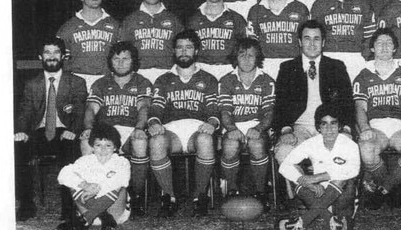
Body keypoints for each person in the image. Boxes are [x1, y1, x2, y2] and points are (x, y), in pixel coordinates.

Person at [14, 37, 88, 223]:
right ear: (41, 56)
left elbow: (80, 112)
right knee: (18, 149)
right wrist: (21, 131)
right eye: (47, 52)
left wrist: (73, 130)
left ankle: (69, 208)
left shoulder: (76, 82)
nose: (52, 56)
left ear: (63, 56)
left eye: (56, 52)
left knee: (70, 150)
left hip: (65, 131)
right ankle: (26, 204)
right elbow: (25, 111)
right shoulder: (32, 84)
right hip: (39, 132)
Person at [147, 30, 220, 217]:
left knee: (205, 139)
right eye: (180, 47)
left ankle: (199, 196)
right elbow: (155, 110)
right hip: (172, 131)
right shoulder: (163, 80)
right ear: (174, 51)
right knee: (156, 141)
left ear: (196, 51)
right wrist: (154, 123)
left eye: (189, 47)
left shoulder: (208, 79)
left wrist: (212, 122)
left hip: (197, 128)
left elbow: (213, 111)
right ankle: (168, 197)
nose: (184, 51)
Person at [79, 42, 153, 218]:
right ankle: (95, 194)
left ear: (133, 61)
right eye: (116, 59)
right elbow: (91, 109)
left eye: (125, 59)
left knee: (140, 143)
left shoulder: (142, 82)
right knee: (85, 143)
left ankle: (136, 195)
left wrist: (139, 128)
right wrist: (89, 129)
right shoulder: (101, 83)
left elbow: (144, 109)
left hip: (131, 129)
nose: (120, 63)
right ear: (110, 61)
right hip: (107, 131)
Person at [353, 28, 401, 210]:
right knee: (366, 149)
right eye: (379, 43)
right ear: (372, 48)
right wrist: (365, 128)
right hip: (376, 126)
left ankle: (384, 189)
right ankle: (392, 189)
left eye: (389, 43)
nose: (384, 47)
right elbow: (360, 107)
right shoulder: (362, 75)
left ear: (395, 48)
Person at [273, 20, 354, 164]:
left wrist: (346, 129)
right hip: (298, 127)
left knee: (346, 146)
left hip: (330, 126)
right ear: (299, 41)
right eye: (307, 38)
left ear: (323, 42)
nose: (312, 43)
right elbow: (280, 104)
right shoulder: (287, 68)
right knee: (284, 151)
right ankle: (299, 187)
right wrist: (286, 130)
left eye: (316, 39)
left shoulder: (336, 67)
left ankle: (333, 187)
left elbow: (347, 102)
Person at [278, 103, 360, 230]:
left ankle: (303, 221)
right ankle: (332, 221)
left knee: (341, 178)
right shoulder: (311, 143)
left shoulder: (350, 145)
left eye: (333, 123)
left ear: (339, 126)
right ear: (318, 127)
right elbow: (284, 166)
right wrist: (309, 184)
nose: (329, 128)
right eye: (324, 123)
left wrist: (318, 177)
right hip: (318, 193)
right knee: (298, 175)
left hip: (341, 195)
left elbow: (354, 169)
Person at [218, 38, 274, 209]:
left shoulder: (267, 81)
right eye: (242, 55)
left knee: (257, 145)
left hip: (257, 126)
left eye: (251, 55)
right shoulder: (226, 80)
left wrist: (259, 128)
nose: (247, 59)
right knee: (229, 145)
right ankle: (232, 190)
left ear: (258, 58)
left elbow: (269, 112)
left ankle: (260, 191)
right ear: (236, 57)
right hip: (233, 125)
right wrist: (231, 128)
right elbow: (225, 112)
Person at [310, 0, 376, 80]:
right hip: (328, 58)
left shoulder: (363, 3)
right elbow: (314, 37)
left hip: (356, 59)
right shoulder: (319, 5)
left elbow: (370, 37)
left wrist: (364, 58)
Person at [57, 123, 131, 230]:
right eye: (98, 145)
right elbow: (63, 174)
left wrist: (95, 189)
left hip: (115, 213)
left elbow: (122, 181)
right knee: (73, 182)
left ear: (115, 148)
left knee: (120, 187)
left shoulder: (121, 162)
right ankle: (104, 219)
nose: (103, 149)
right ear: (92, 147)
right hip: (92, 212)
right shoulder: (86, 160)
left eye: (108, 145)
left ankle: (85, 220)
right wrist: (85, 185)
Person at [246, 0, 309, 79]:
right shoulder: (256, 10)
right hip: (265, 66)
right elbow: (251, 43)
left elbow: (306, 41)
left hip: (293, 64)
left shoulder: (300, 9)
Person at [56, 0, 120, 90]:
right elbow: (61, 61)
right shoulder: (67, 28)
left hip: (107, 81)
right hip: (77, 82)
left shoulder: (115, 26)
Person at [120, 0, 184, 84]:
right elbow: (122, 52)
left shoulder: (174, 20)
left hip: (167, 74)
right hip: (138, 75)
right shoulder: (130, 20)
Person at [186, 0, 247, 80]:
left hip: (228, 70)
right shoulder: (192, 19)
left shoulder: (237, 19)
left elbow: (244, 49)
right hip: (200, 69)